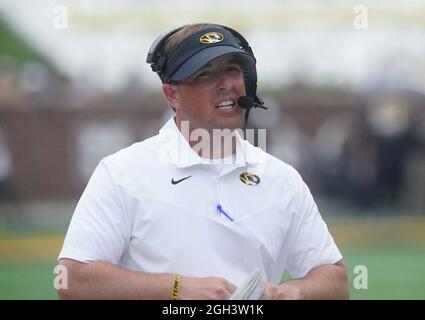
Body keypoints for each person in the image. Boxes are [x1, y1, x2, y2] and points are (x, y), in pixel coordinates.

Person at [57, 23, 349, 300]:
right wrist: (175, 288)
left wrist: (288, 293)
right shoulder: (122, 173)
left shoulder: (282, 178)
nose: (226, 84)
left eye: (233, 70)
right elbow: (71, 279)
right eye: (205, 74)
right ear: (172, 94)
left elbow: (334, 279)